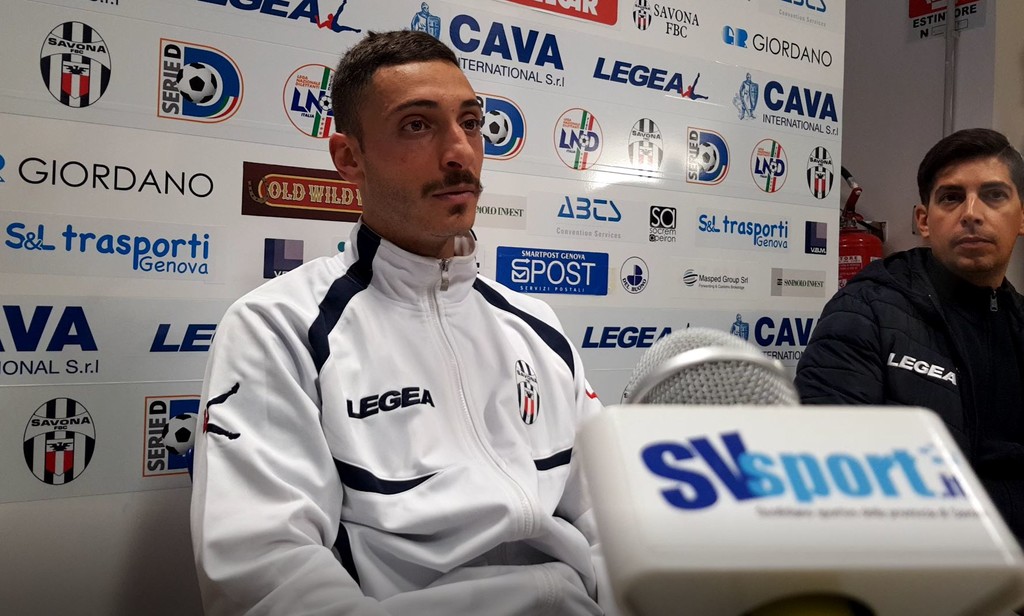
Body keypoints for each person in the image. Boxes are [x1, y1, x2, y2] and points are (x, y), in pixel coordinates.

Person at [191, 31, 611, 616]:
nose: (460, 152)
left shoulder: (535, 325)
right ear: (350, 159)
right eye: (417, 125)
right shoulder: (278, 328)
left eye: (471, 122)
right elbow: (268, 578)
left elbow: (612, 523)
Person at [795, 128, 1024, 541]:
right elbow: (828, 478)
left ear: (1021, 218)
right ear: (923, 221)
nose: (972, 213)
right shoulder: (864, 312)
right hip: (918, 563)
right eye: (951, 197)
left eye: (994, 195)